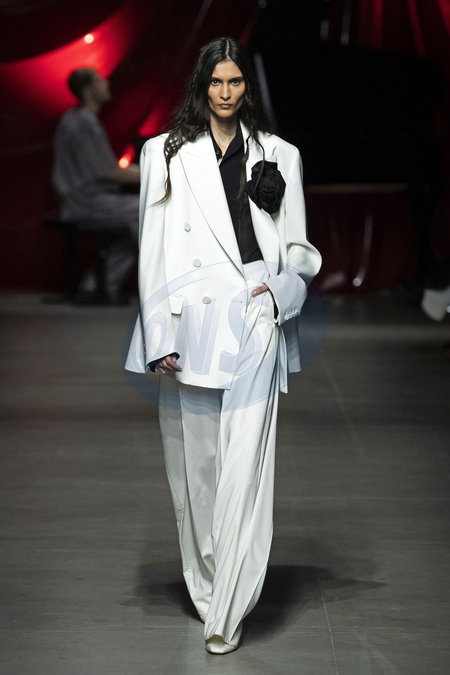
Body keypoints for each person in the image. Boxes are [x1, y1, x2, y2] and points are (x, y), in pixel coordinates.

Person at [125, 37, 322, 654]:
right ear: (202, 85)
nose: (226, 92)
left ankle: (229, 609)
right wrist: (158, 334)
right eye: (217, 82)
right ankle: (210, 587)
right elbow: (153, 249)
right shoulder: (164, 153)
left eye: (236, 82)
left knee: (246, 466)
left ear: (246, 87)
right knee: (199, 469)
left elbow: (298, 249)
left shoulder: (279, 154)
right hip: (192, 322)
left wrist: (280, 292)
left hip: (257, 314)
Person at [52, 67, 140, 304]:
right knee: (150, 211)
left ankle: (98, 284)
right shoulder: (83, 123)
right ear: (87, 89)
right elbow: (110, 172)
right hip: (86, 202)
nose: (106, 84)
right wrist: (159, 173)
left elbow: (106, 168)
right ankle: (104, 284)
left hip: (82, 199)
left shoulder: (75, 119)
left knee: (139, 224)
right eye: (100, 81)